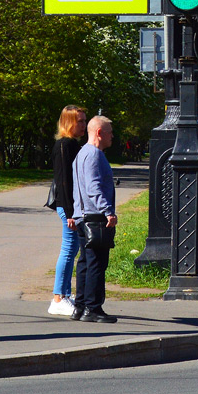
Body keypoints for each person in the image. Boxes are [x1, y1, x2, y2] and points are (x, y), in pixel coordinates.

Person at [70, 116, 118, 323]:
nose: (112, 136)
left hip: (82, 216)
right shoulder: (94, 155)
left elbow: (77, 187)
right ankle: (93, 308)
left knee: (85, 262)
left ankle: (80, 306)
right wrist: (108, 211)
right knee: (97, 263)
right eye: (109, 132)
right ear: (99, 133)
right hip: (95, 218)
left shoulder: (81, 154)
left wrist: (75, 213)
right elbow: (93, 187)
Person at [48, 106, 87, 316]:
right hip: (68, 206)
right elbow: (64, 181)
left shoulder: (71, 144)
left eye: (84, 121)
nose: (83, 125)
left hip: (70, 206)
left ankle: (63, 294)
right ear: (68, 122)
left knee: (71, 250)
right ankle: (58, 298)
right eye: (79, 121)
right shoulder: (65, 145)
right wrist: (71, 213)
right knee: (69, 249)